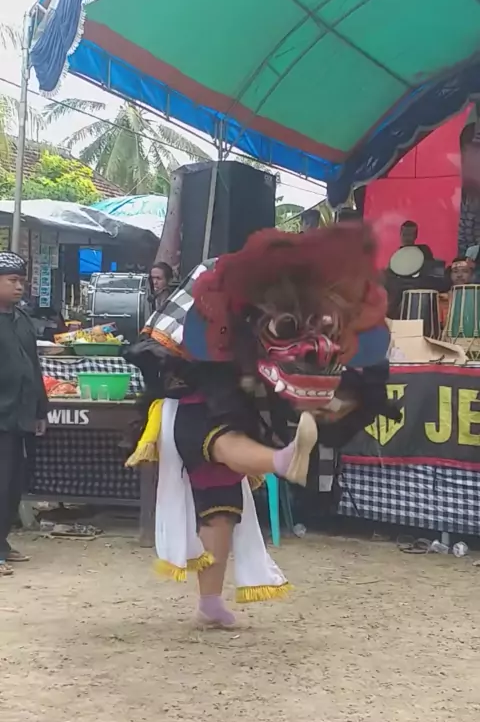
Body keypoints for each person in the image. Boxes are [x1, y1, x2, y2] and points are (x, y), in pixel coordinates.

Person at [126, 225, 397, 628]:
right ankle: (282, 461)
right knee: (217, 442)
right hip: (188, 400)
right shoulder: (215, 285)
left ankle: (209, 603)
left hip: (234, 401)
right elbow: (163, 348)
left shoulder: (316, 301)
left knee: (222, 509)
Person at [0, 252, 49, 576]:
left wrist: (41, 410)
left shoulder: (21, 319)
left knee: (13, 482)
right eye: (12, 280)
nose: (19, 287)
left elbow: (33, 367)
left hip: (19, 413)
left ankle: (2, 543)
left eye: (22, 281)